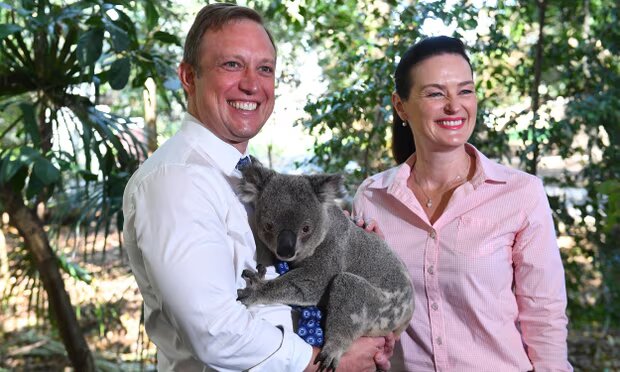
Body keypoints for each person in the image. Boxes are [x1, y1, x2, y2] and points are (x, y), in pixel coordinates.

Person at [122, 3, 393, 371]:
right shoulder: (177, 180)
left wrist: (345, 251)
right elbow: (214, 330)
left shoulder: (248, 178)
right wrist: (324, 364)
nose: (252, 84)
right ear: (188, 76)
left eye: (264, 69)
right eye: (232, 65)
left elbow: (282, 278)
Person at [352, 36, 573, 371]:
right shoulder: (372, 198)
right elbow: (364, 310)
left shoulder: (521, 194)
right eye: (436, 93)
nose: (455, 106)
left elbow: (545, 316)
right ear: (400, 106)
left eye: (465, 90)